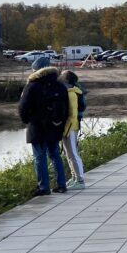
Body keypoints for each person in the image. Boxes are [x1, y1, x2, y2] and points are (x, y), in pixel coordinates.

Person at [17, 55, 70, 195]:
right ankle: (61, 184)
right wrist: (60, 122)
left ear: (36, 70)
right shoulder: (60, 85)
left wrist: (27, 120)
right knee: (55, 155)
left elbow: (23, 107)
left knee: (39, 157)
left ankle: (43, 187)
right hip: (55, 126)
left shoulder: (32, 85)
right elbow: (67, 107)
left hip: (37, 127)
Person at [60, 70, 86, 189]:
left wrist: (67, 128)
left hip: (71, 127)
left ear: (66, 80)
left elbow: (73, 114)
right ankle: (74, 177)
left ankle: (80, 180)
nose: (59, 77)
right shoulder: (69, 91)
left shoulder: (72, 93)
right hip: (68, 128)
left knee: (73, 153)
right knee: (68, 153)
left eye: (62, 75)